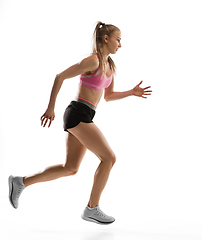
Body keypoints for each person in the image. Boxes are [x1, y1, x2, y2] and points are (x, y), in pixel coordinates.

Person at [8, 21, 152, 225]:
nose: (120, 44)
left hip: (87, 115)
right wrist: (51, 108)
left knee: (70, 168)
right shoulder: (93, 61)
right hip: (77, 113)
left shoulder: (109, 66)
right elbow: (60, 77)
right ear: (106, 39)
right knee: (109, 158)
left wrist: (131, 92)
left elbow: (108, 96)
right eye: (118, 40)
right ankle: (92, 208)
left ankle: (20, 182)